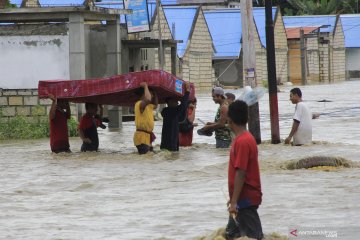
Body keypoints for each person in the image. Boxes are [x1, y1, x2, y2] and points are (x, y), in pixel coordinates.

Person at [226, 100, 263, 240]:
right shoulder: (245, 138)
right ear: (247, 119)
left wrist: (234, 201)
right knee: (232, 235)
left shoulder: (242, 141)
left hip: (245, 199)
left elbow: (241, 172)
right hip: (241, 199)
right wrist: (233, 199)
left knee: (253, 237)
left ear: (229, 119)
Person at [160, 82, 190, 151]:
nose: (177, 103)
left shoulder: (174, 113)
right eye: (176, 101)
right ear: (170, 102)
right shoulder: (169, 111)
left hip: (173, 144)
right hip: (168, 145)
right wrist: (187, 91)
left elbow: (182, 117)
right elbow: (182, 106)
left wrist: (186, 105)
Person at [133, 82, 158, 154]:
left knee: (150, 157)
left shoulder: (149, 106)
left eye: (152, 95)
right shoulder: (139, 104)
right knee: (145, 158)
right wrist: (145, 86)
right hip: (141, 137)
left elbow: (155, 105)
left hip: (147, 136)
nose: (152, 96)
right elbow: (148, 99)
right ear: (144, 94)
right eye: (150, 94)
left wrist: (155, 92)